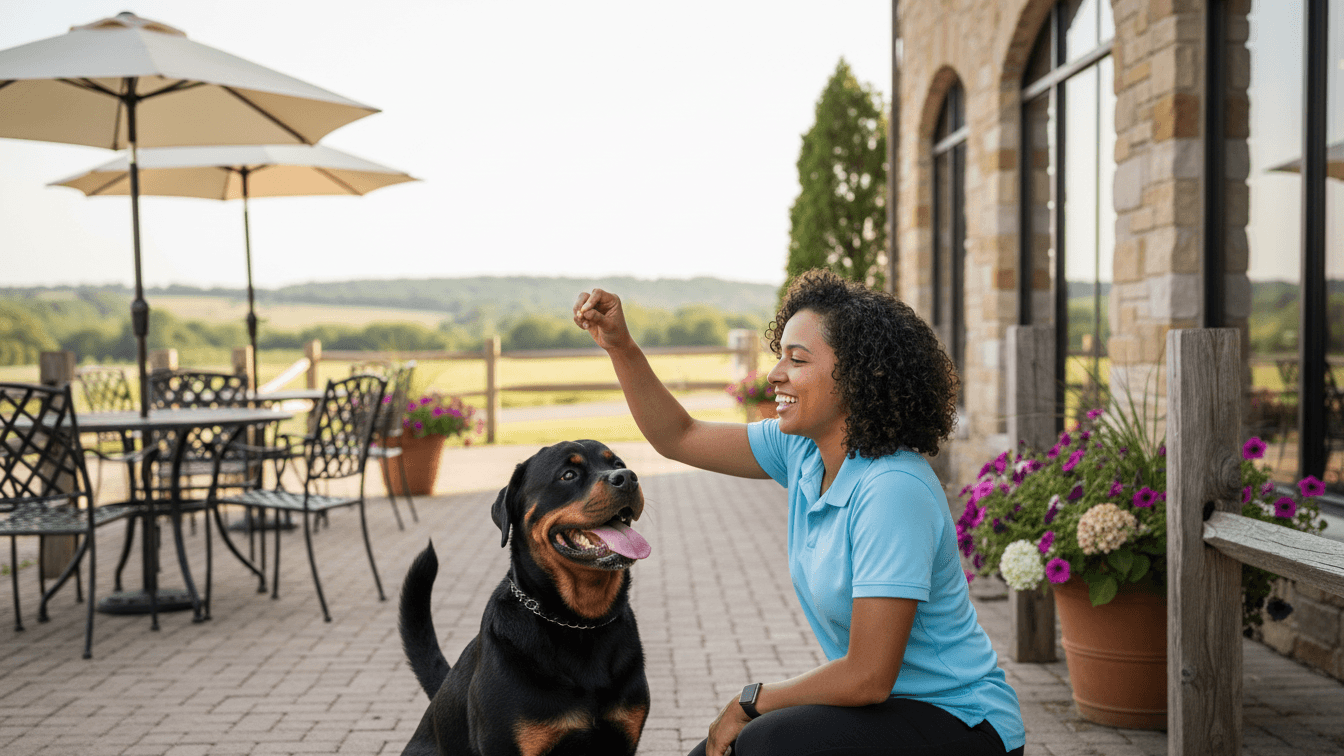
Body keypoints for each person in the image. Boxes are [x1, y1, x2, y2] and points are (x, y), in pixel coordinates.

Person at [572, 269, 1026, 756]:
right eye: (779, 354)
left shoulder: (893, 489)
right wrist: (620, 346)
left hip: (964, 724)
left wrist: (751, 702)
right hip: (886, 711)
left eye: (798, 359)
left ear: (856, 375)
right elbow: (677, 436)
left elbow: (868, 677)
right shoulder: (804, 452)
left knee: (768, 740)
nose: (775, 374)